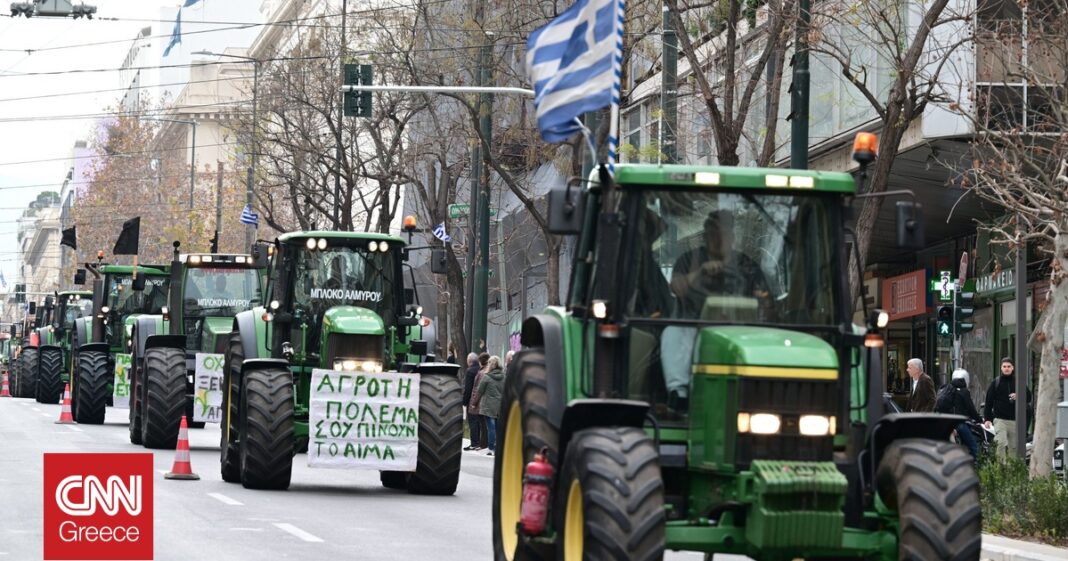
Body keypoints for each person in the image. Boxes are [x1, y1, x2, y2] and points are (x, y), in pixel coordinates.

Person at [664, 210, 768, 408]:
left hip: (741, 331)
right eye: (712, 232)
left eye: (724, 232)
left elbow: (765, 301)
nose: (718, 238)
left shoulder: (748, 265)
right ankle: (679, 394)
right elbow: (676, 288)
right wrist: (700, 272)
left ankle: (757, 397)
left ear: (733, 237)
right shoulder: (688, 260)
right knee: (672, 332)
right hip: (694, 329)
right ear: (705, 236)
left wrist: (761, 300)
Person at [983, 357, 1032, 458]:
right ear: (1001, 368)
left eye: (1009, 366)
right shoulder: (996, 383)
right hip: (1000, 420)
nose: (1006, 368)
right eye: (1004, 366)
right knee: (1000, 443)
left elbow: (1029, 398)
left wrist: (1019, 395)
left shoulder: (1018, 382)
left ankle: (1011, 467)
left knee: (1013, 447)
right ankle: (1001, 466)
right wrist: (987, 419)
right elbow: (988, 402)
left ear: (1012, 368)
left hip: (1015, 421)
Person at [936, 369, 983, 459]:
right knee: (973, 446)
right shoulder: (964, 391)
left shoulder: (947, 389)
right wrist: (979, 420)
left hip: (946, 423)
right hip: (959, 423)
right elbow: (971, 409)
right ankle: (975, 465)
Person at [477, 355, 506, 456]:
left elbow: (480, 391)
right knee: (498, 428)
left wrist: (474, 403)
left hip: (488, 406)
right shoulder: (504, 377)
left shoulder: (487, 377)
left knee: (491, 428)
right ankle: (498, 448)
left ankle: (491, 448)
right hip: (499, 406)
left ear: (490, 364)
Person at [468, 353, 490, 449]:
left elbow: (478, 389)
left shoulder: (481, 373)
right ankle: (484, 443)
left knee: (482, 424)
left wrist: (474, 402)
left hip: (481, 401)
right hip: (488, 401)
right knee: (486, 424)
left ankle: (483, 444)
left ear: (481, 362)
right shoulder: (488, 371)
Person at [462, 353, 481, 451]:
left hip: (472, 400)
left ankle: (474, 442)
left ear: (469, 361)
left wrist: (465, 402)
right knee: (479, 422)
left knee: (472, 421)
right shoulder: (481, 369)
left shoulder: (470, 371)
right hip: (482, 399)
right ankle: (480, 442)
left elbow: (468, 388)